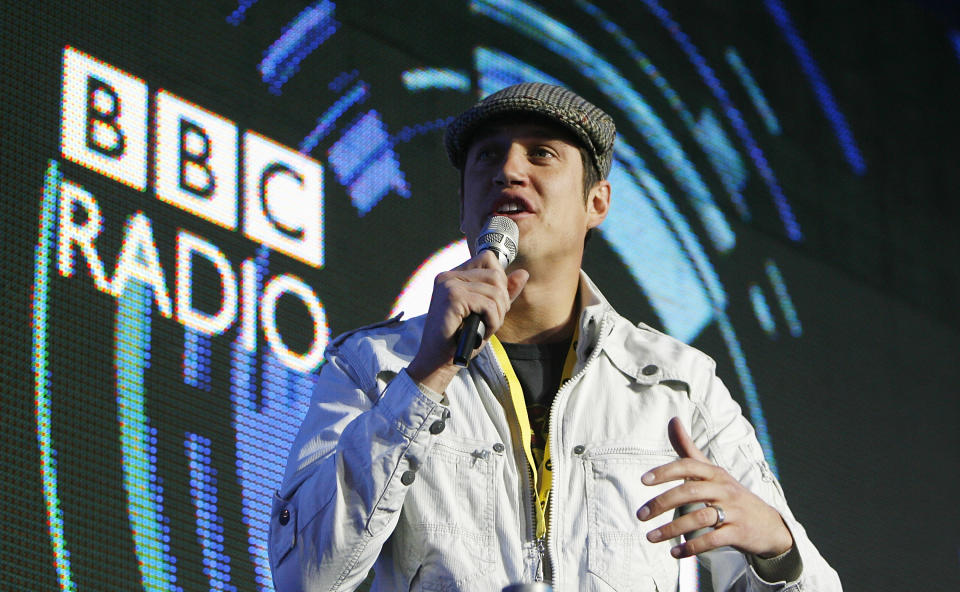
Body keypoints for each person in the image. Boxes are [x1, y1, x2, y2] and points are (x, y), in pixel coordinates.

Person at [268, 82, 842, 591]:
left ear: (598, 202)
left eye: (541, 154)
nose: (509, 171)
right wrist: (426, 378)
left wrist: (777, 549)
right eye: (488, 157)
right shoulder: (374, 367)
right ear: (464, 209)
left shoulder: (679, 386)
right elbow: (304, 577)